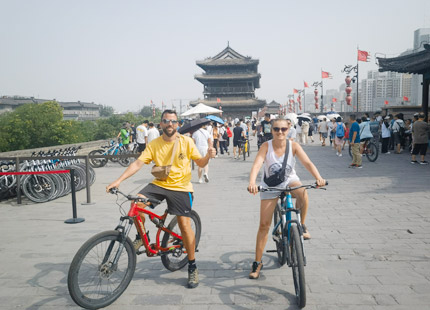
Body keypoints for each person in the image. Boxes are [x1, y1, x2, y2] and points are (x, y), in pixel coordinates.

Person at [106, 110, 216, 289]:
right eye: (166, 121)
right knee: (137, 203)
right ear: (161, 124)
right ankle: (141, 237)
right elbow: (138, 163)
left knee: (184, 225)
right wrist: (117, 181)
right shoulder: (155, 144)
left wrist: (208, 156)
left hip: (181, 187)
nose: (170, 124)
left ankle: (192, 265)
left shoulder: (187, 142)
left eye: (173, 121)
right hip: (159, 184)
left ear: (177, 124)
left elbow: (201, 164)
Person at [247, 118, 326, 279]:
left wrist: (319, 177)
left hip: (289, 180)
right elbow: (257, 165)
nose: (280, 132)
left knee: (303, 192)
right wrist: (252, 182)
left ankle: (302, 225)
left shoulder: (294, 146)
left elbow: (308, 163)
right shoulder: (266, 146)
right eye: (277, 129)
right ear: (272, 130)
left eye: (283, 129)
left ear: (289, 128)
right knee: (264, 225)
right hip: (270, 185)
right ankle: (257, 262)